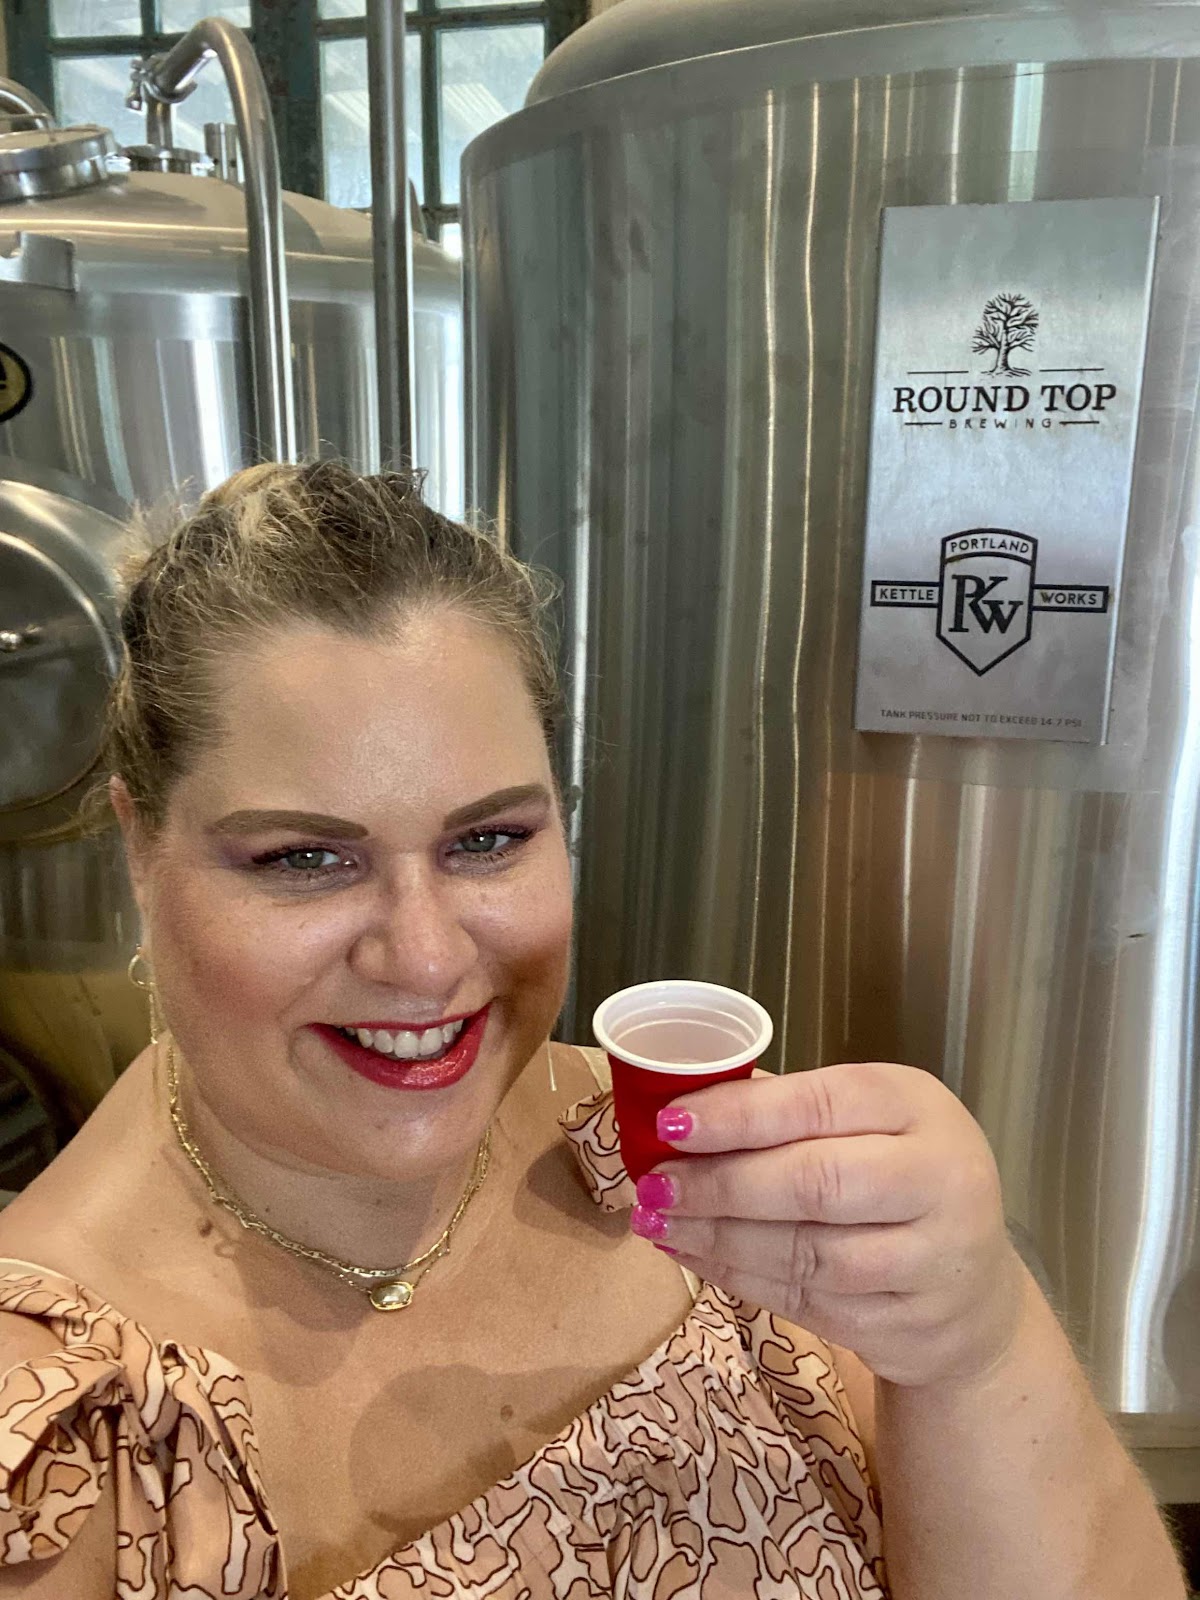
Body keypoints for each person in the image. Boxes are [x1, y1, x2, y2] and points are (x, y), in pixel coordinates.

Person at [0, 461, 1183, 1600]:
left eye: (487, 840)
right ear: (140, 847)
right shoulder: (53, 1425)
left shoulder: (674, 1150)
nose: (425, 957)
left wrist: (975, 1345)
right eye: (304, 858)